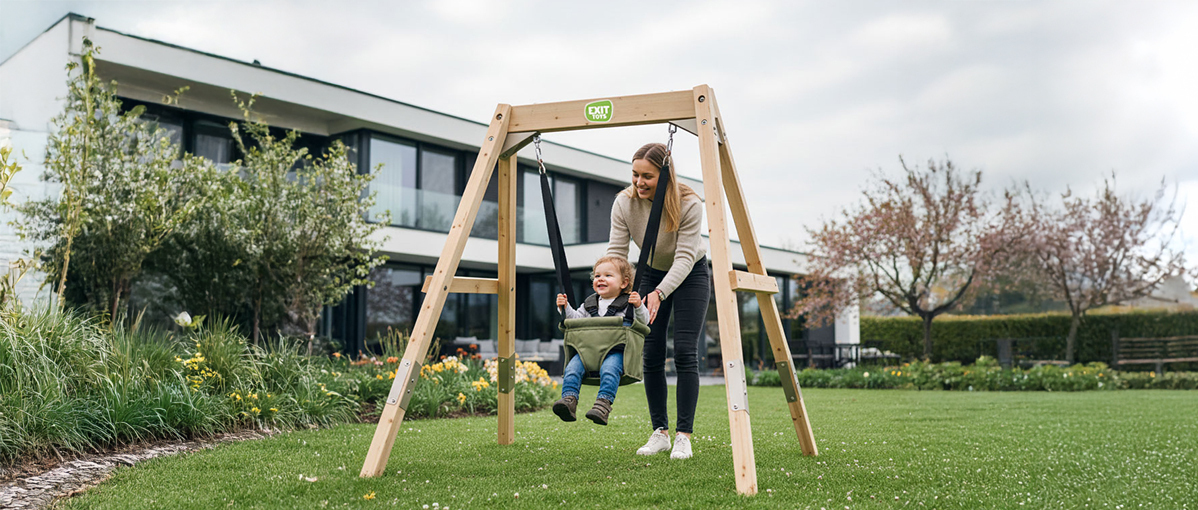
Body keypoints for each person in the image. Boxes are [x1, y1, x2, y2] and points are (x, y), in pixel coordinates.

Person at [608, 142, 708, 460]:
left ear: (665, 175)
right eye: (635, 174)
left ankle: (683, 436)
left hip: (690, 273)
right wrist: (611, 288)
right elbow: (616, 254)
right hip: (649, 272)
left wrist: (659, 293)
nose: (639, 183)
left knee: (684, 351)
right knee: (650, 351)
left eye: (647, 176)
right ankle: (660, 433)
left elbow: (683, 258)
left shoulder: (689, 203)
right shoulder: (624, 203)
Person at [551, 255, 649, 426]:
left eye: (608, 276)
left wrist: (639, 306)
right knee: (572, 369)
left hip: (616, 352)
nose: (600, 279)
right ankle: (569, 400)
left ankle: (602, 405)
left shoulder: (629, 303)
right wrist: (565, 308)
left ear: (624, 283)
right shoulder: (589, 303)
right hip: (587, 352)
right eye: (597, 276)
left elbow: (644, 321)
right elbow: (575, 320)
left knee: (610, 370)